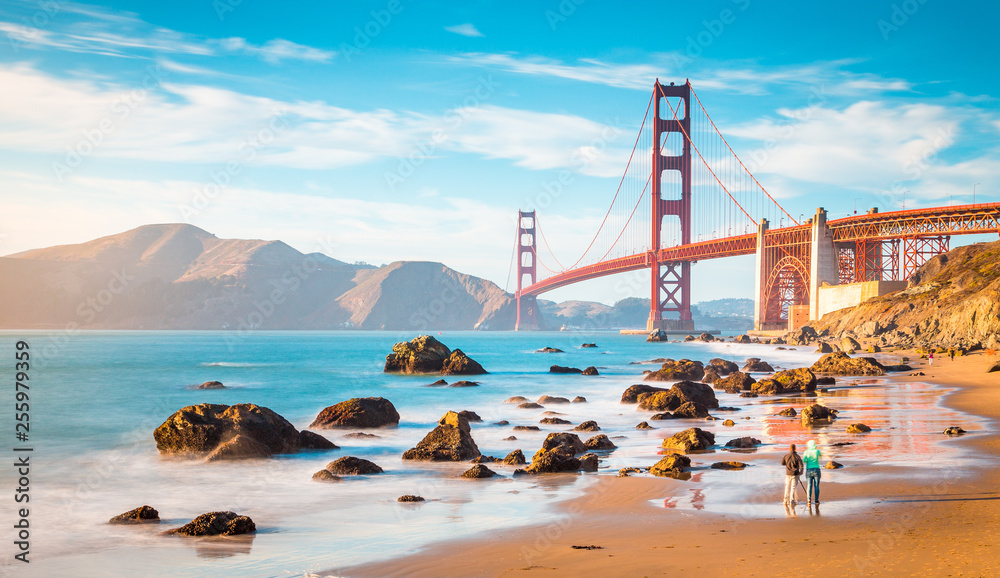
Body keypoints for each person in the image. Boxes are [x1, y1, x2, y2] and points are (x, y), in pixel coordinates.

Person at [803, 439, 822, 505]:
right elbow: (821, 457)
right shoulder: (817, 451)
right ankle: (816, 500)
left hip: (809, 469)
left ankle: (809, 500)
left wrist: (808, 460)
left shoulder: (806, 452)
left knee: (809, 485)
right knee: (816, 485)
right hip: (817, 469)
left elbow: (803, 460)